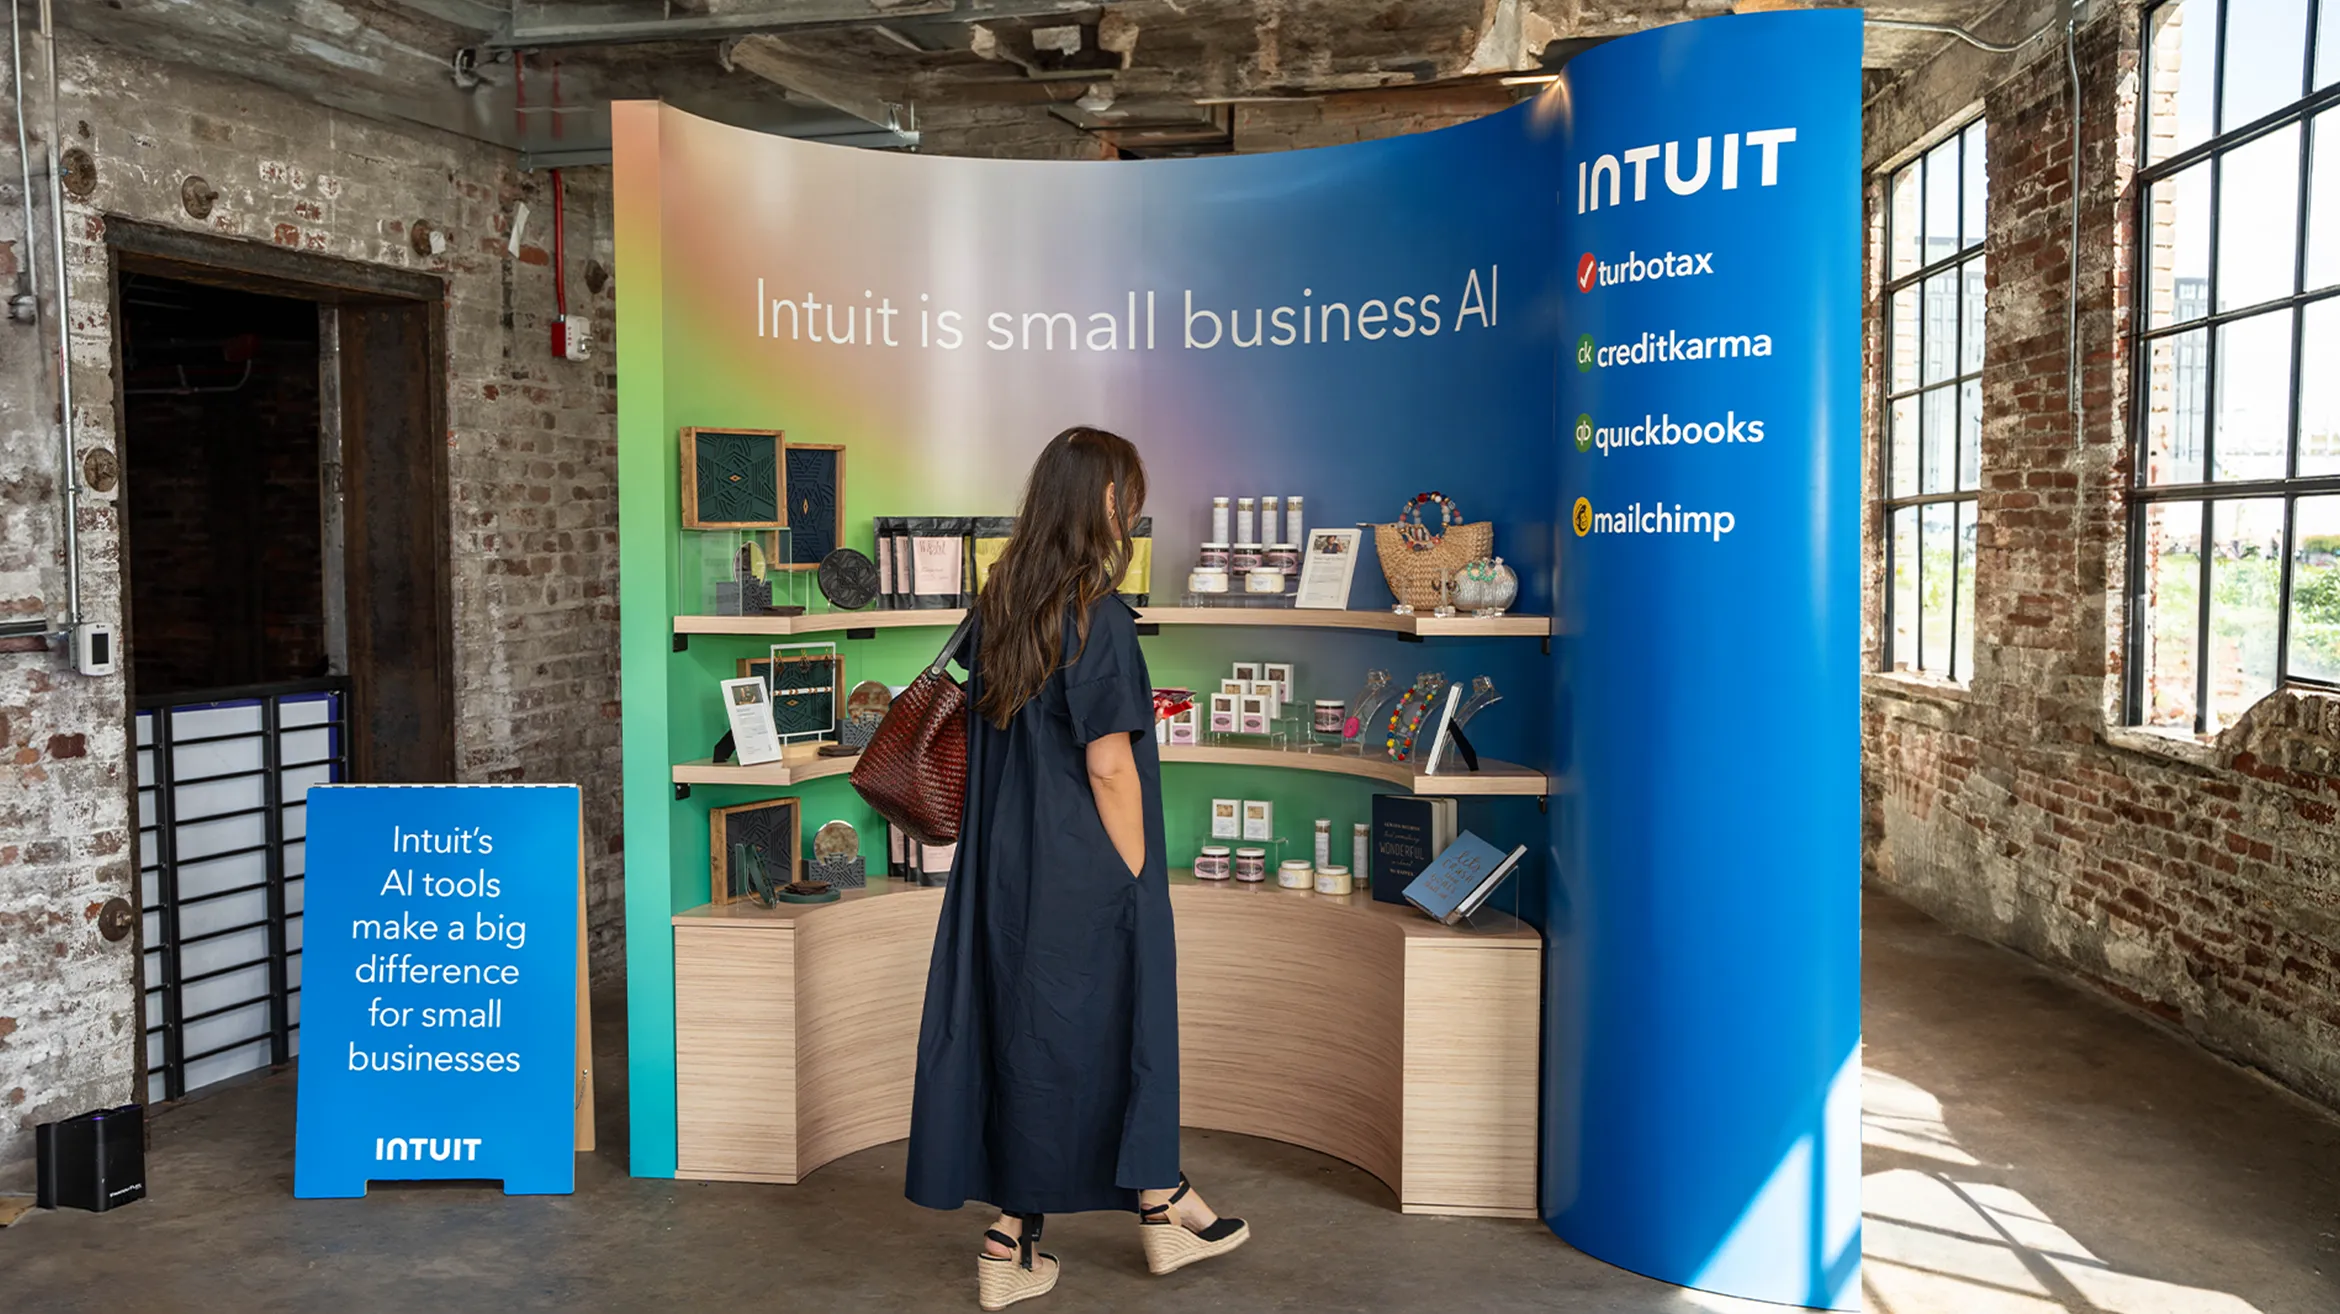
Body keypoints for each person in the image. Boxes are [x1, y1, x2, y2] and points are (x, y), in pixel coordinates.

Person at [905, 426, 1249, 1310]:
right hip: (1085, 863)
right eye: (1128, 495)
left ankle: (1020, 1234)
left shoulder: (1001, 603)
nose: (1134, 511)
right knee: (1123, 1030)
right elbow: (1108, 765)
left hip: (1001, 868)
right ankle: (1155, 1204)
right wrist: (1135, 876)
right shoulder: (1099, 620)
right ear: (1104, 501)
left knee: (1029, 1035)